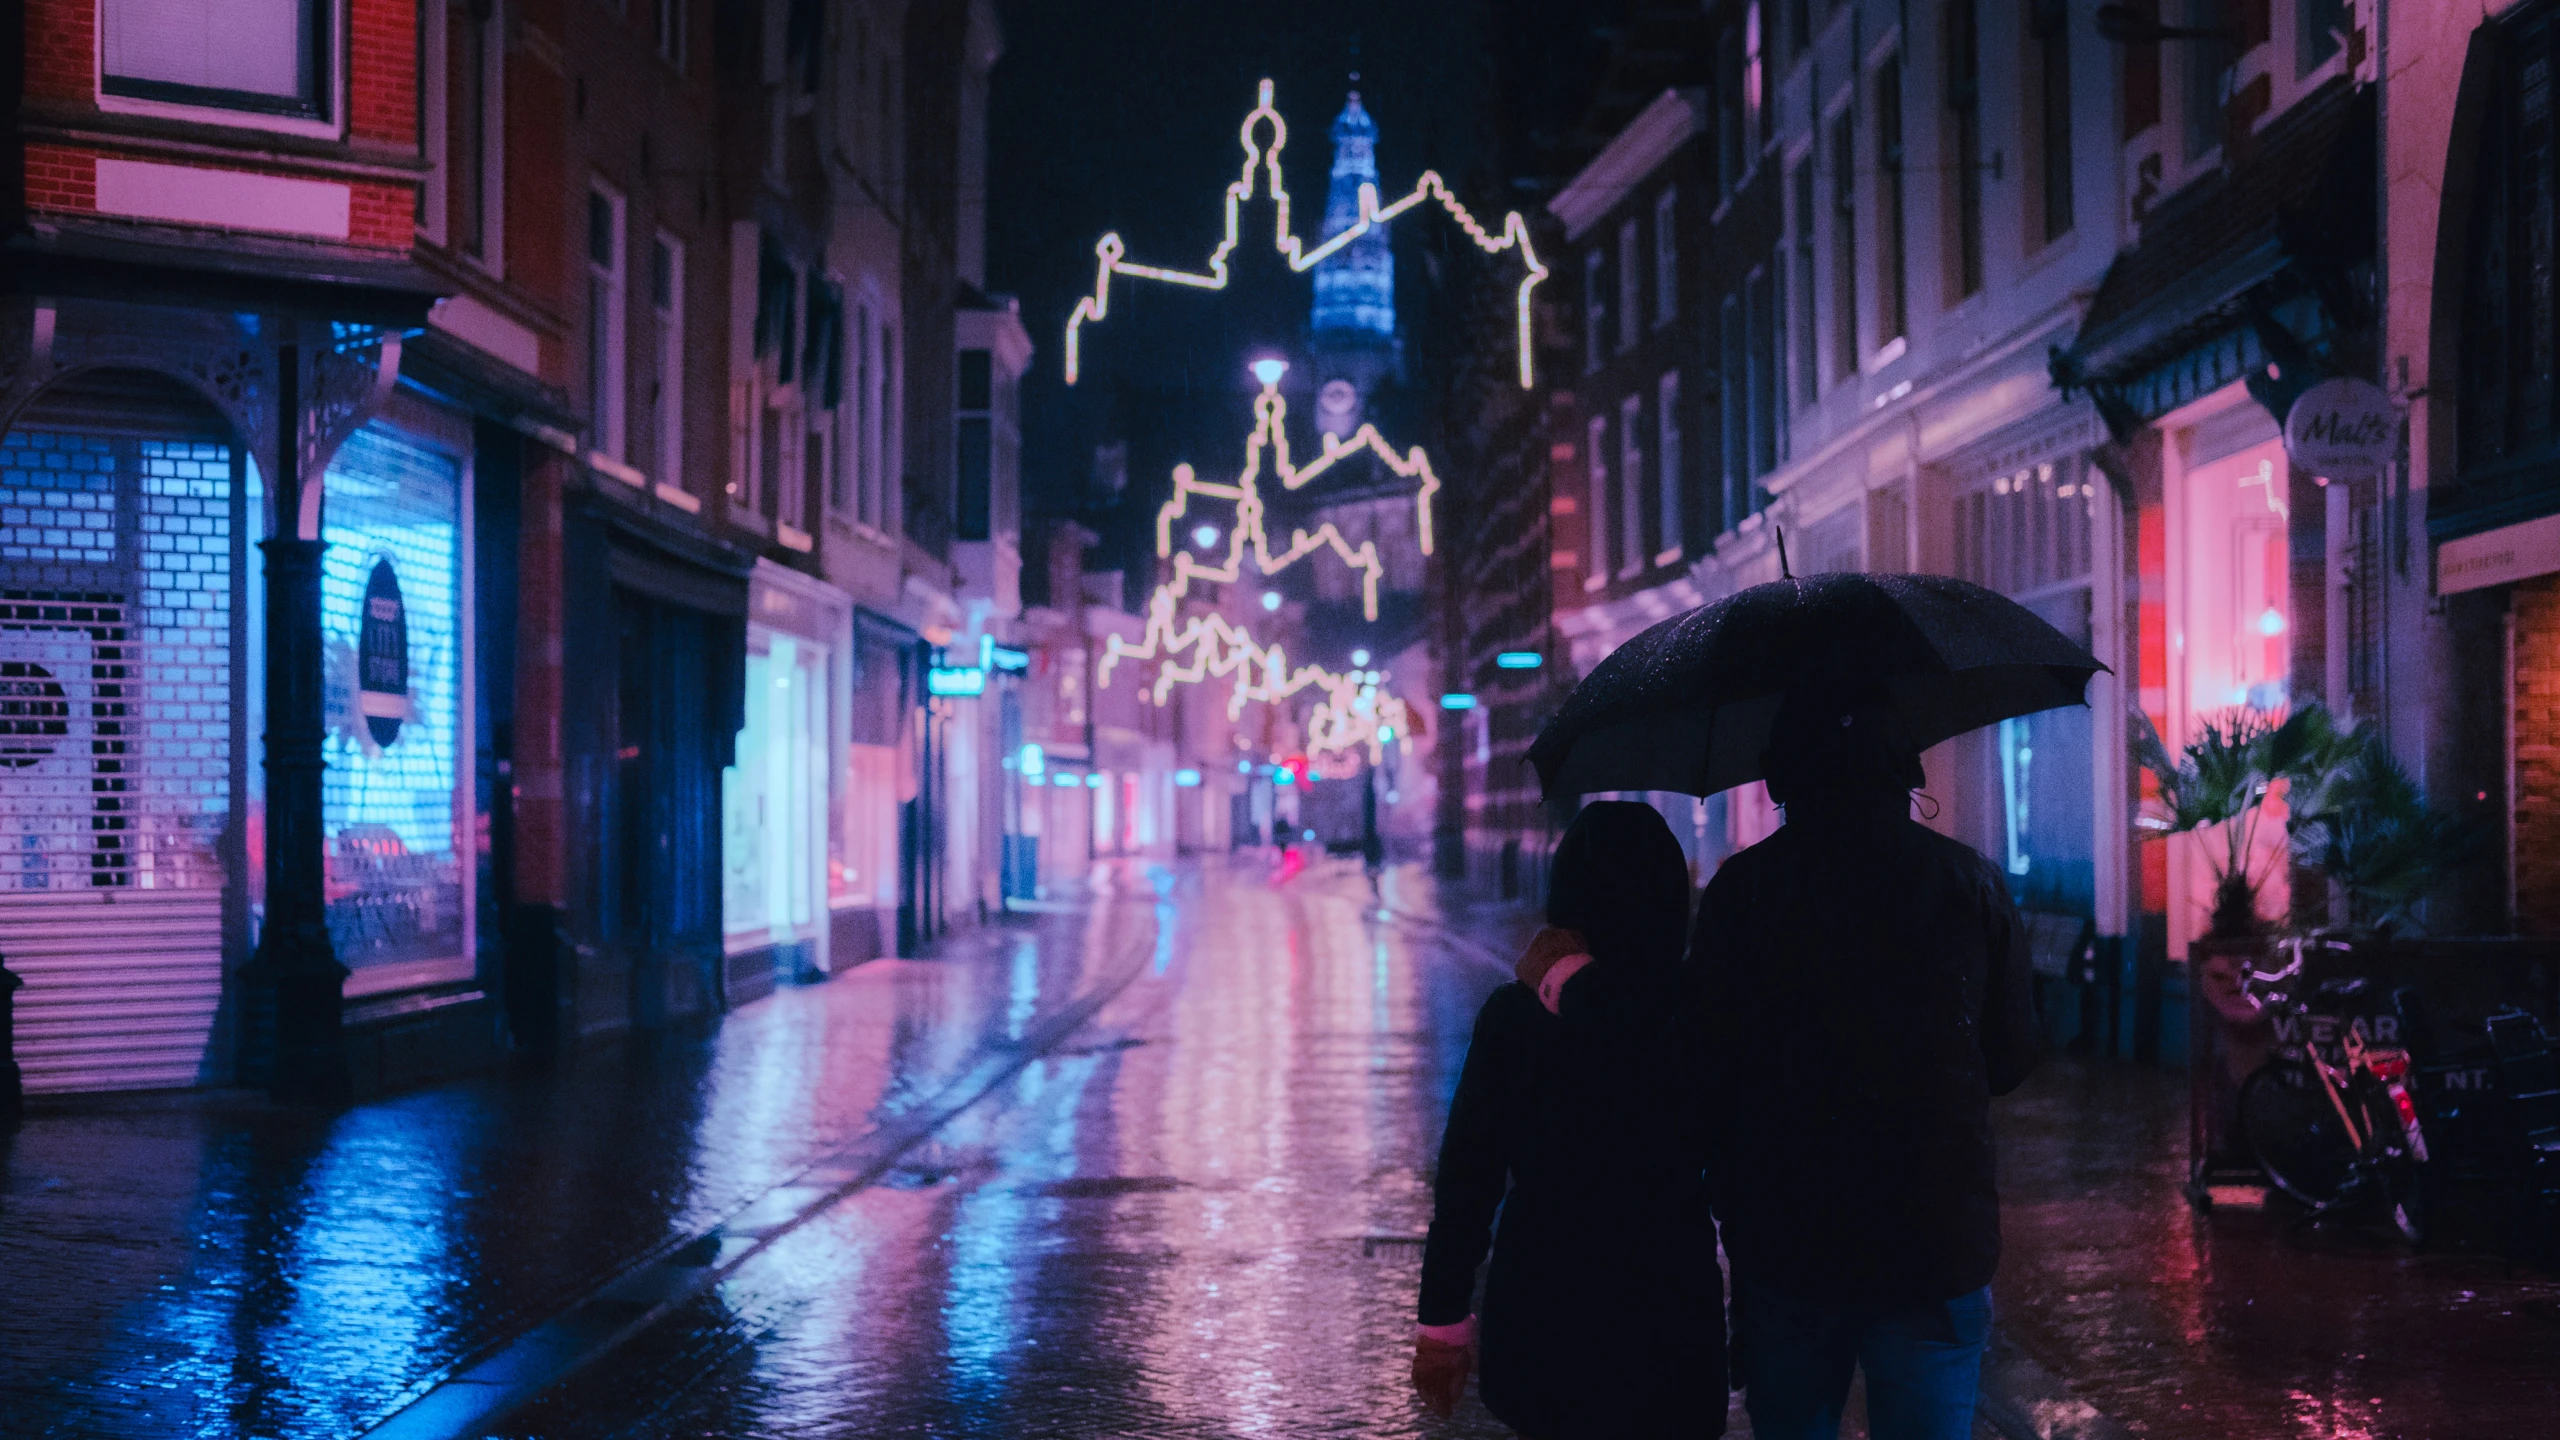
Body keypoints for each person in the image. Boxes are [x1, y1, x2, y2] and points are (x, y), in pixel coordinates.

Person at [1531, 679, 2038, 1440]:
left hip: (1789, 1248)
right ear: (1905, 772)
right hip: (1936, 1243)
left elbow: (1698, 1069)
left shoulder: (1745, 892)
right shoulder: (1971, 885)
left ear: (1781, 780)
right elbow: (2010, 1059)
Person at [1412, 801, 1725, 1438]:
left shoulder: (1514, 1017)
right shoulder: (1701, 1017)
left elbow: (1468, 1180)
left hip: (1544, 1303)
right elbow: (1739, 1169)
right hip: (1670, 1302)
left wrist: (1443, 1321)